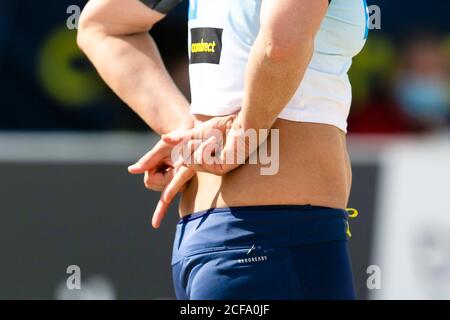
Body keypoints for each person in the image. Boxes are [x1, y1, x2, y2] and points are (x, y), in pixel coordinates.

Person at [77, 0, 368, 299]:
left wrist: (187, 133)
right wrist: (242, 134)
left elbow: (101, 27)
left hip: (207, 240)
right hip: (276, 241)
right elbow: (280, 46)